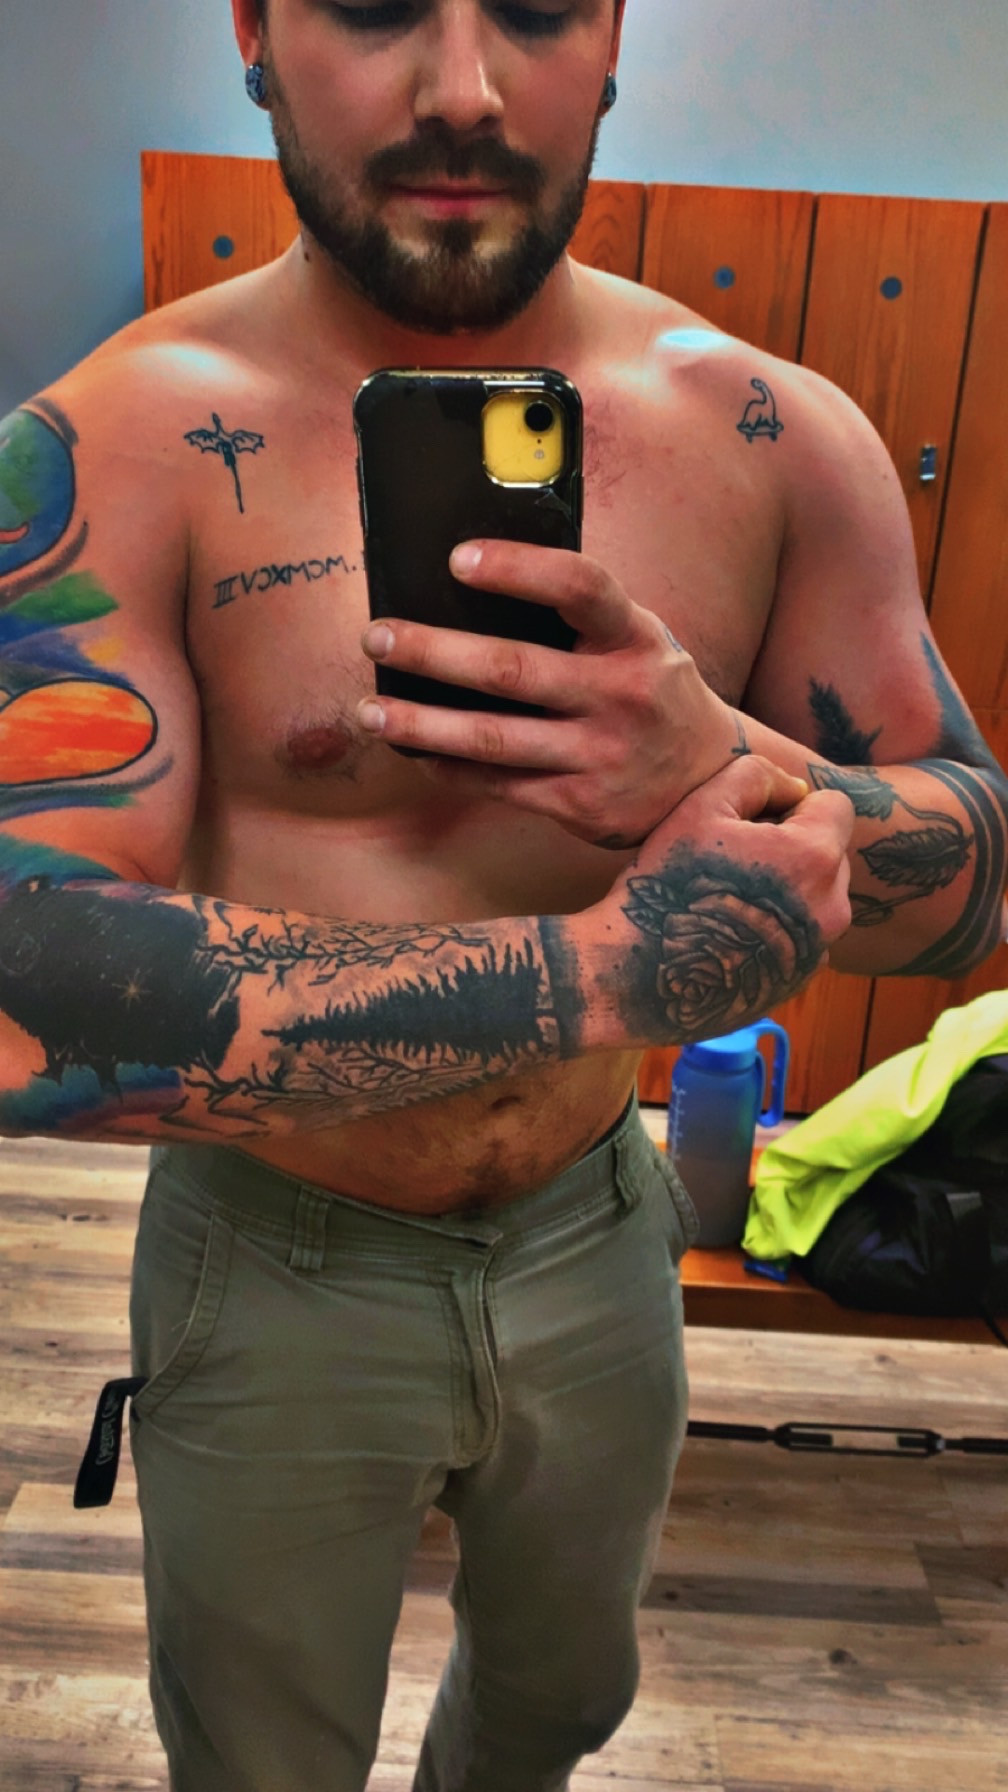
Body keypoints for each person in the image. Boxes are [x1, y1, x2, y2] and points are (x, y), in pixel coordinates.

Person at [1, 0, 1004, 1785]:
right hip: (279, 1252)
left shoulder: (778, 432)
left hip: (598, 1229)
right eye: (377, 3)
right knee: (262, 1757)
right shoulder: (115, 446)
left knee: (560, 1705)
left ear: (610, 37)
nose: (460, 89)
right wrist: (606, 971)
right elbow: (25, 984)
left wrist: (721, 761)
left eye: (534, 7)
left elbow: (976, 871)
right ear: (255, 27)